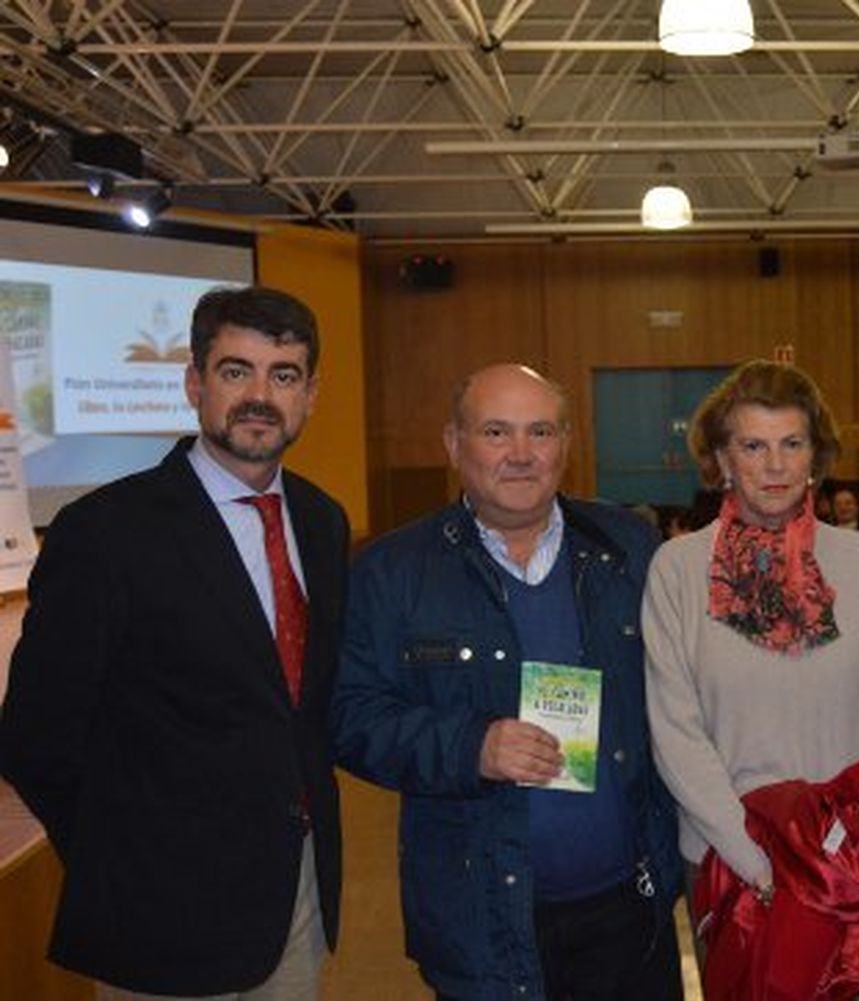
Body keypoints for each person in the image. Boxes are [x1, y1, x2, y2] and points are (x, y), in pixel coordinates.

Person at [0, 286, 349, 999]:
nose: (260, 395)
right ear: (194, 382)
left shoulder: (321, 520)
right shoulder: (104, 533)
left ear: (310, 394)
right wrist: (123, 859)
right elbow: (35, 736)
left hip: (295, 893)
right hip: (160, 918)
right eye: (235, 370)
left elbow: (300, 708)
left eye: (282, 375)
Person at [331, 364, 682, 1000]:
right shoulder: (391, 572)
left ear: (566, 445)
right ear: (453, 444)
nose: (521, 455)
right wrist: (471, 746)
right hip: (481, 920)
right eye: (496, 432)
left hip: (630, 914)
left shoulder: (630, 550)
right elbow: (349, 717)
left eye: (540, 432)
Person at [642, 361, 859, 993]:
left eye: (791, 444)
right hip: (734, 868)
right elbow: (675, 732)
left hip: (856, 867)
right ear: (721, 457)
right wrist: (764, 863)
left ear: (815, 457)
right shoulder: (676, 570)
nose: (774, 465)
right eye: (753, 446)